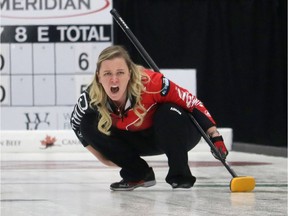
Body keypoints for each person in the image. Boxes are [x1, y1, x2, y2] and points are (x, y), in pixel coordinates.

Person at [70, 45, 228, 191]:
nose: (114, 79)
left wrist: (215, 135)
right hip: (139, 139)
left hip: (176, 135)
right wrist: (103, 158)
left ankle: (180, 174)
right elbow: (76, 124)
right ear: (98, 77)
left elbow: (191, 102)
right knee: (88, 122)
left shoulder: (152, 83)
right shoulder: (91, 97)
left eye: (120, 72)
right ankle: (138, 174)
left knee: (168, 111)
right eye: (107, 74)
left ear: (130, 73)